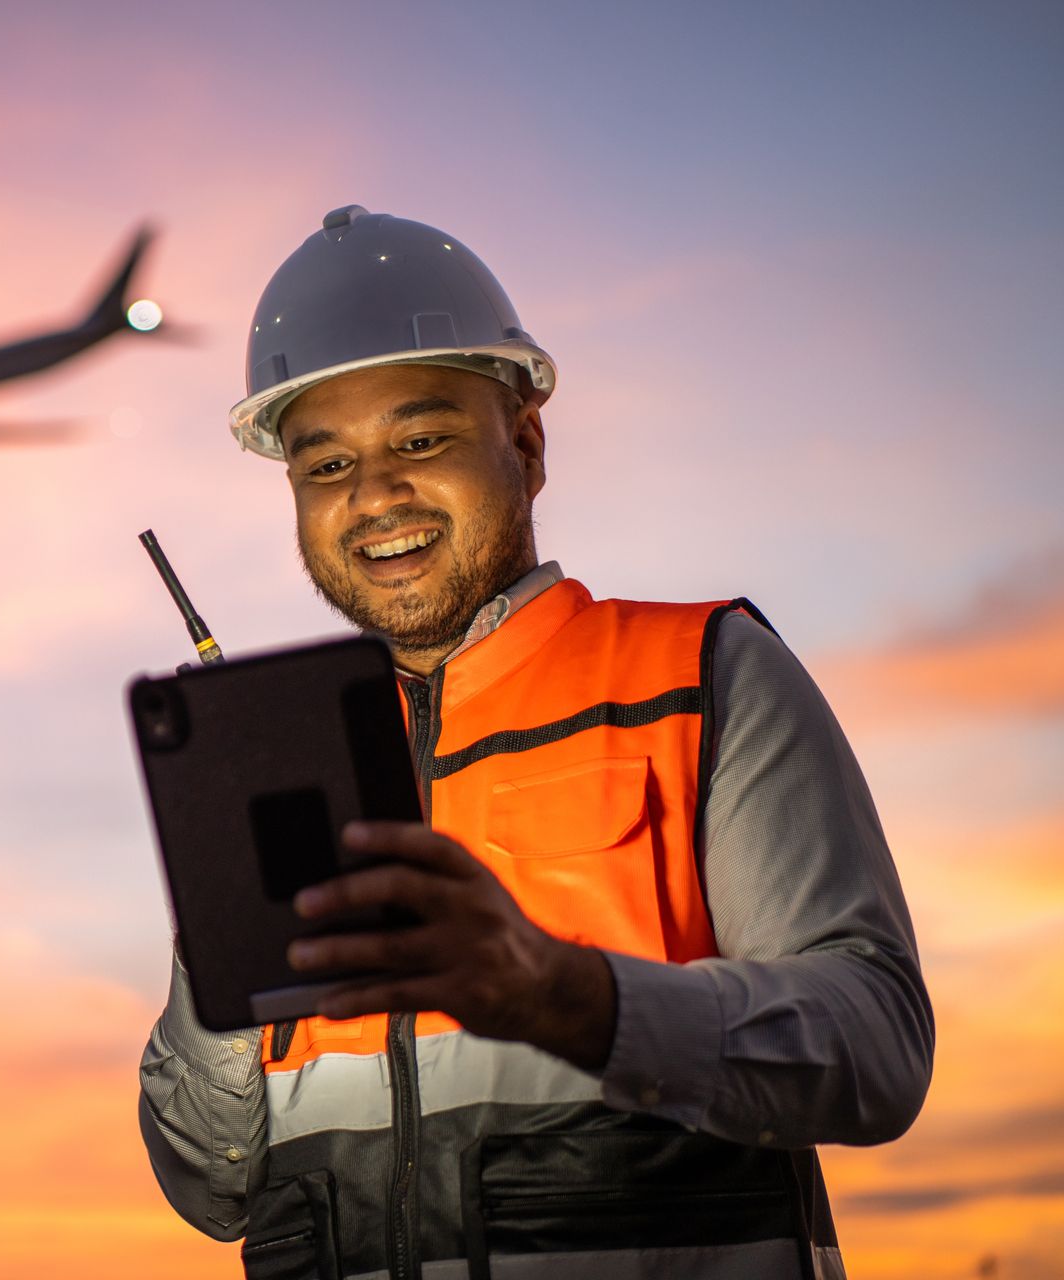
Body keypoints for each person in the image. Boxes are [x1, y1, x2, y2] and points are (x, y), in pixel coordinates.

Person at [136, 206, 933, 1280]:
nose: (375, 496)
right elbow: (211, 1186)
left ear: (526, 442)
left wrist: (569, 994)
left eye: (420, 440)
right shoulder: (283, 770)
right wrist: (221, 935)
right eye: (326, 466)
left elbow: (875, 1048)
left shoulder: (700, 673)